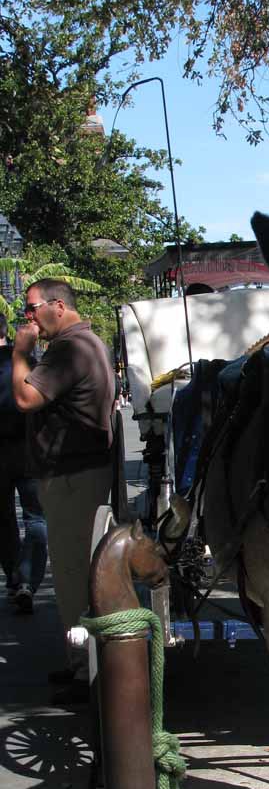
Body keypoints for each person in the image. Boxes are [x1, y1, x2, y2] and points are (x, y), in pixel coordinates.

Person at [12, 279, 115, 700]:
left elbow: (25, 398)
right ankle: (86, 665)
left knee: (73, 574)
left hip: (73, 475)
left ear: (58, 305)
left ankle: (85, 672)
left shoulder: (71, 348)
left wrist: (20, 352)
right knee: (79, 569)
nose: (28, 317)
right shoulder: (86, 343)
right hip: (79, 471)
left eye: (32, 308)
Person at [0, 315, 48, 612]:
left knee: (3, 520)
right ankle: (27, 579)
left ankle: (17, 579)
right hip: (30, 450)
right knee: (36, 518)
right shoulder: (28, 363)